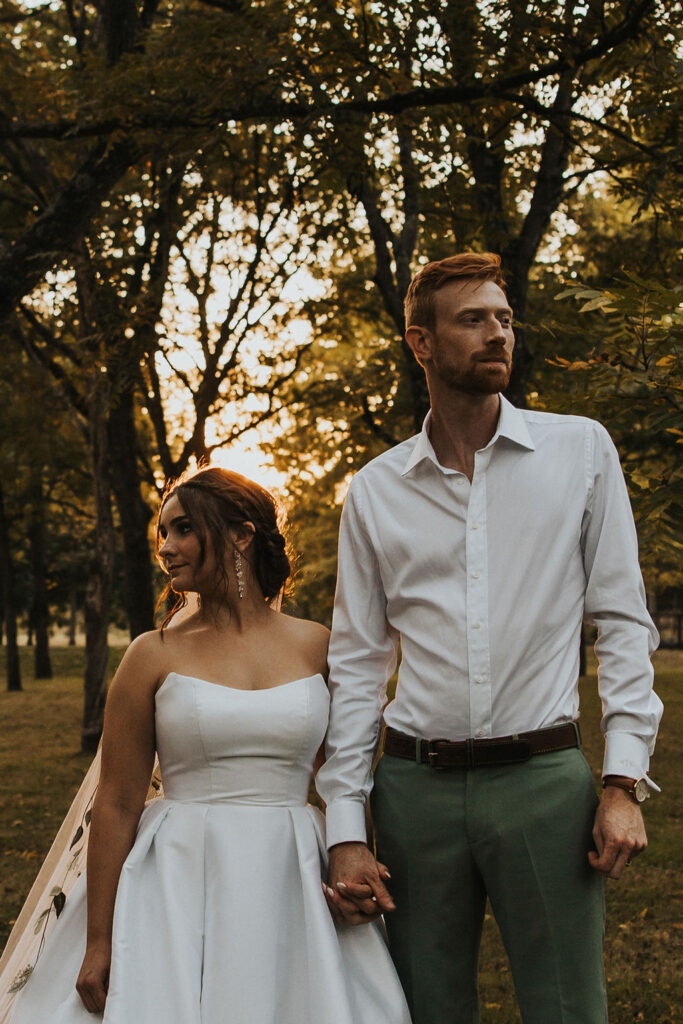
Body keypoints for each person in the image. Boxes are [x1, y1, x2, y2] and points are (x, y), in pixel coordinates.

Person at [316, 253, 663, 1024]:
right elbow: (358, 664)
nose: (496, 333)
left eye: (503, 318)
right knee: (421, 1007)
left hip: (543, 783)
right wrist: (346, 827)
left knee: (567, 1006)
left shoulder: (579, 452)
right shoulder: (375, 491)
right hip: (413, 793)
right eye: (472, 319)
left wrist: (621, 780)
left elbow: (622, 620)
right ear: (421, 343)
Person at [4, 467, 411, 1024]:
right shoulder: (153, 654)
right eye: (163, 535)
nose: (167, 549)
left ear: (241, 535)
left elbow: (344, 774)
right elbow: (118, 803)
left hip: (292, 870)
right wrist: (98, 939)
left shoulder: (318, 645)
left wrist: (354, 854)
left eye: (183, 530)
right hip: (176, 872)